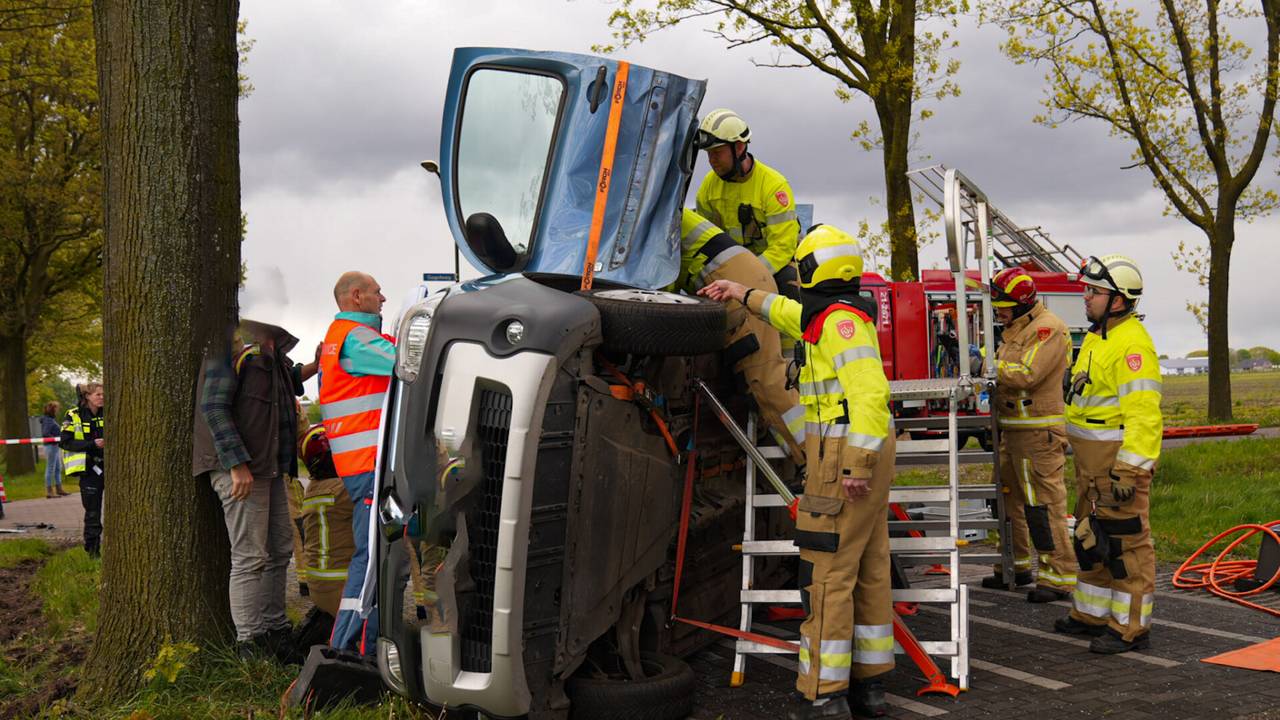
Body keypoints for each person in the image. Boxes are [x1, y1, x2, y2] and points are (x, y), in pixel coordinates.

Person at [702, 225, 894, 719]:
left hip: (842, 449)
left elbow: (870, 393)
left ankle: (823, 695)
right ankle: (870, 686)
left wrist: (855, 464)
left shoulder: (838, 325)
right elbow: (788, 313)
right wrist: (740, 292)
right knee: (868, 567)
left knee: (826, 572)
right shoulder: (832, 316)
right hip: (855, 446)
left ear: (813, 270)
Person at [1053, 255, 1162, 654]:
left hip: (1115, 464)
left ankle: (1131, 627)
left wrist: (1129, 470)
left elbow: (1144, 416)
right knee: (1089, 539)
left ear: (1118, 300)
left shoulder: (1132, 345)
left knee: (1126, 546)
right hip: (1090, 462)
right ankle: (1091, 615)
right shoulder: (1100, 337)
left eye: (1094, 292)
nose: (1086, 297)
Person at [193, 320, 318, 660]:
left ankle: (274, 630)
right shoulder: (229, 349)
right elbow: (214, 408)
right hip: (241, 470)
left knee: (279, 550)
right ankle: (249, 643)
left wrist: (317, 365)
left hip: (271, 469)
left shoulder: (272, 354)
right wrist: (236, 465)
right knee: (250, 556)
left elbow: (289, 383)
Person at [675, 208, 805, 465]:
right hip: (732, 280)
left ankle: (816, 461)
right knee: (757, 387)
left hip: (737, 283)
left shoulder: (650, 212)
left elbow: (655, 280)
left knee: (765, 380)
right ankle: (798, 461)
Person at [981, 268, 1079, 602]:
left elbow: (1026, 374)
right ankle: (1016, 566)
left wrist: (985, 367)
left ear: (1023, 304)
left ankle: (1058, 576)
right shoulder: (1015, 328)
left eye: (1005, 305)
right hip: (1012, 432)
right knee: (1007, 503)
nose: (999, 311)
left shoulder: (1047, 329)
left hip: (1038, 436)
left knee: (1043, 506)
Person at [319, 271, 395, 656]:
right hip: (370, 467)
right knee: (371, 560)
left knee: (377, 555)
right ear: (356, 296)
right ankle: (348, 650)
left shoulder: (342, 340)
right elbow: (405, 364)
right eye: (377, 292)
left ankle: (364, 644)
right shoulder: (357, 338)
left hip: (362, 466)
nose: (383, 298)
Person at [694, 108, 803, 299]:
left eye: (717, 152)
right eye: (708, 153)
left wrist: (743, 279)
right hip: (730, 268)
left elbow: (781, 249)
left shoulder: (774, 186)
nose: (712, 160)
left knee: (790, 282)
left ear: (738, 147)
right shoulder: (708, 187)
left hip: (773, 268)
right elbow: (704, 243)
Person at [60, 383, 104, 556]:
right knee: (93, 514)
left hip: (109, 468)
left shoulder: (108, 413)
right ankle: (93, 553)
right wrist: (92, 444)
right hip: (88, 471)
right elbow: (65, 441)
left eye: (103, 394)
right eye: (98, 395)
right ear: (87, 396)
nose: (102, 397)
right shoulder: (73, 415)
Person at [40, 402, 67, 498]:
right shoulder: (48, 421)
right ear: (52, 410)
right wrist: (55, 438)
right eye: (56, 409)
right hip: (51, 446)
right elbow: (45, 433)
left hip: (55, 446)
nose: (57, 410)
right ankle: (49, 491)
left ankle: (59, 489)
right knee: (50, 468)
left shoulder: (51, 420)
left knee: (58, 468)